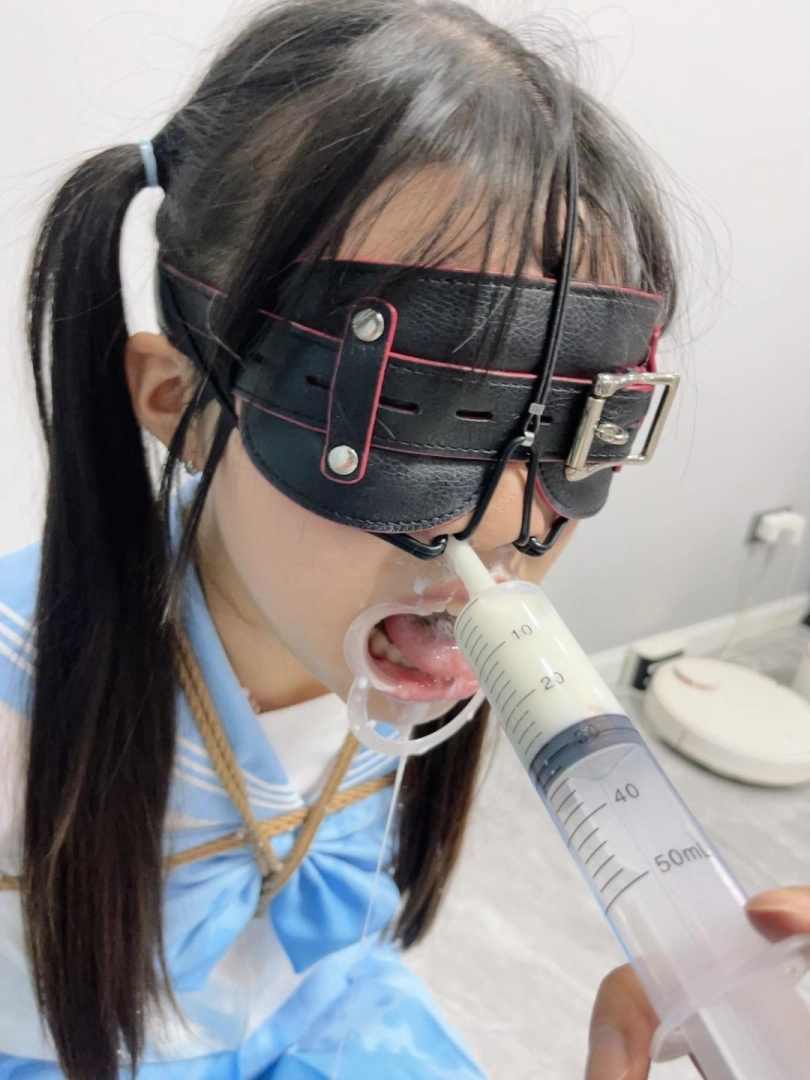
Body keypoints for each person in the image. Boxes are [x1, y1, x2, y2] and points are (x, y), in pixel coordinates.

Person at [1, 1, 807, 1077]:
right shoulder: (19, 705)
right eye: (414, 411)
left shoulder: (373, 635)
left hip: (323, 1011)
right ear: (176, 398)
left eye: (581, 425)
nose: (509, 524)